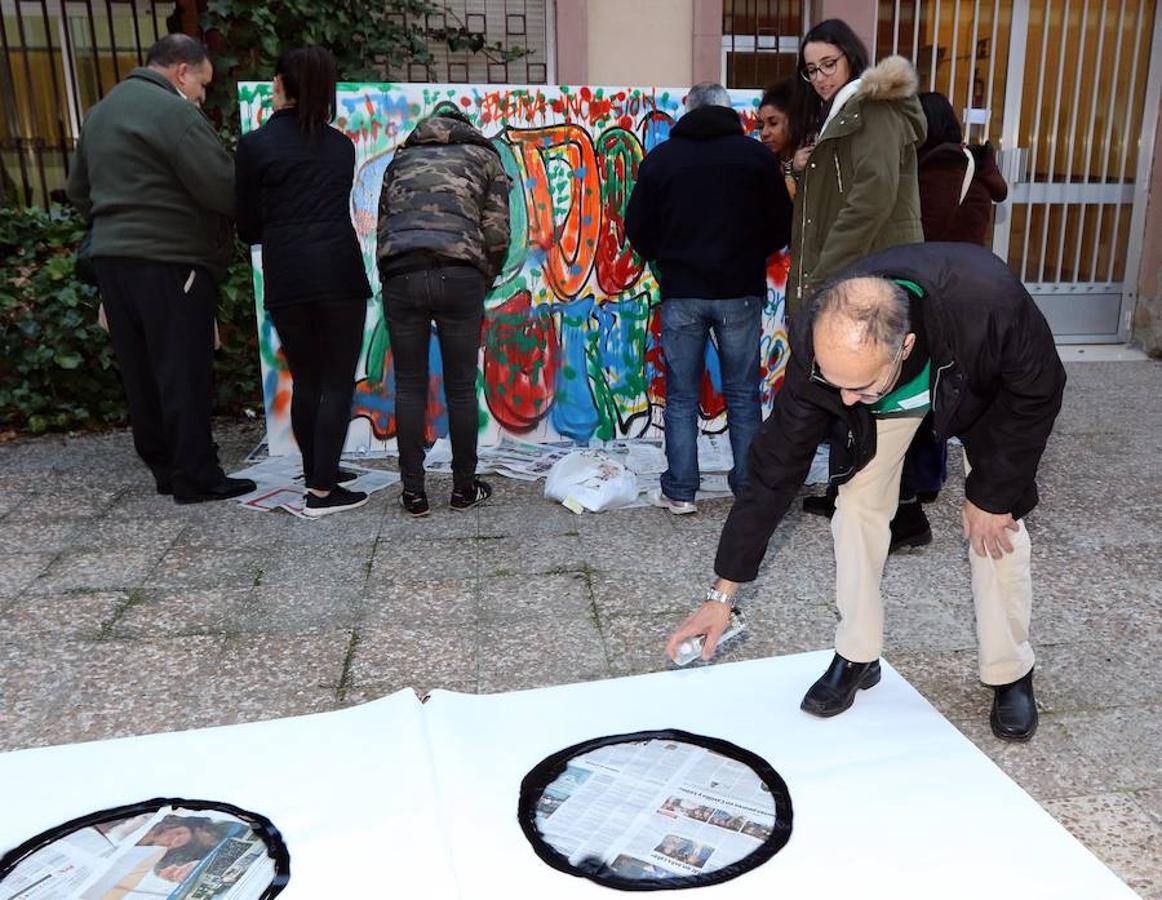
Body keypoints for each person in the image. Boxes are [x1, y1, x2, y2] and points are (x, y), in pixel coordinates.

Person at [665, 242, 1066, 743]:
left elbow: (1038, 392)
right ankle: (857, 652)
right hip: (889, 404)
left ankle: (1010, 672)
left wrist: (992, 494)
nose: (845, 400)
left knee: (996, 529)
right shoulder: (825, 347)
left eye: (859, 386)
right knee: (854, 507)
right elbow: (774, 471)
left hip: (981, 390)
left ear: (904, 344)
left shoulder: (988, 306)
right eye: (836, 386)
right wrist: (721, 593)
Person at [66, 35, 254, 504]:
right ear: (181, 71)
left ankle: (165, 467)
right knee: (182, 368)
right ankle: (197, 475)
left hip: (112, 260)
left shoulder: (101, 111)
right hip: (170, 260)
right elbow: (222, 189)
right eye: (202, 85)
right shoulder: (174, 115)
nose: (202, 96)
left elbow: (78, 190)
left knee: (141, 370)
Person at [786, 19, 930, 549]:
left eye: (829, 64)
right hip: (857, 271)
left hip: (867, 275)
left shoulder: (872, 107)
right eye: (811, 69)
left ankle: (906, 514)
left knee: (882, 396)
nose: (820, 77)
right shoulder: (843, 112)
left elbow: (871, 196)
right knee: (856, 395)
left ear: (851, 58)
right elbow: (836, 199)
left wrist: (826, 274)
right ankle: (850, 490)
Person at [625, 83, 790, 513]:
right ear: (728, 110)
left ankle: (680, 490)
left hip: (682, 291)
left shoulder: (662, 159)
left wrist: (666, 256)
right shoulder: (756, 158)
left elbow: (637, 228)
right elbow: (781, 226)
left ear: (689, 111)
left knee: (680, 395)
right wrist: (750, 251)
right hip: (740, 290)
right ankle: (749, 487)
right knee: (742, 393)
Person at [236, 47, 372, 518]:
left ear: (281, 86)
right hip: (339, 268)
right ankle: (322, 487)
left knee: (307, 381)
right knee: (337, 382)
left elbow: (247, 224)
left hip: (288, 272)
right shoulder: (342, 146)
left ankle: (319, 472)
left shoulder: (255, 145)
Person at [376, 106, 510, 516]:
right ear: (465, 129)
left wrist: (391, 275)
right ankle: (463, 489)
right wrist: (481, 278)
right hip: (459, 276)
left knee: (411, 386)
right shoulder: (485, 158)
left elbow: (383, 225)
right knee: (461, 388)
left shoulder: (400, 159)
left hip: (402, 275)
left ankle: (413, 493)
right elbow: (497, 234)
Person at [917, 91, 1008, 244]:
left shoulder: (942, 164)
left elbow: (929, 228)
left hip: (941, 263)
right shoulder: (977, 161)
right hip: (971, 259)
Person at [757, 79, 803, 200]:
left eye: (773, 123)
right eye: (760, 126)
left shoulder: (812, 161)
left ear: (795, 120)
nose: (764, 133)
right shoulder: (762, 165)